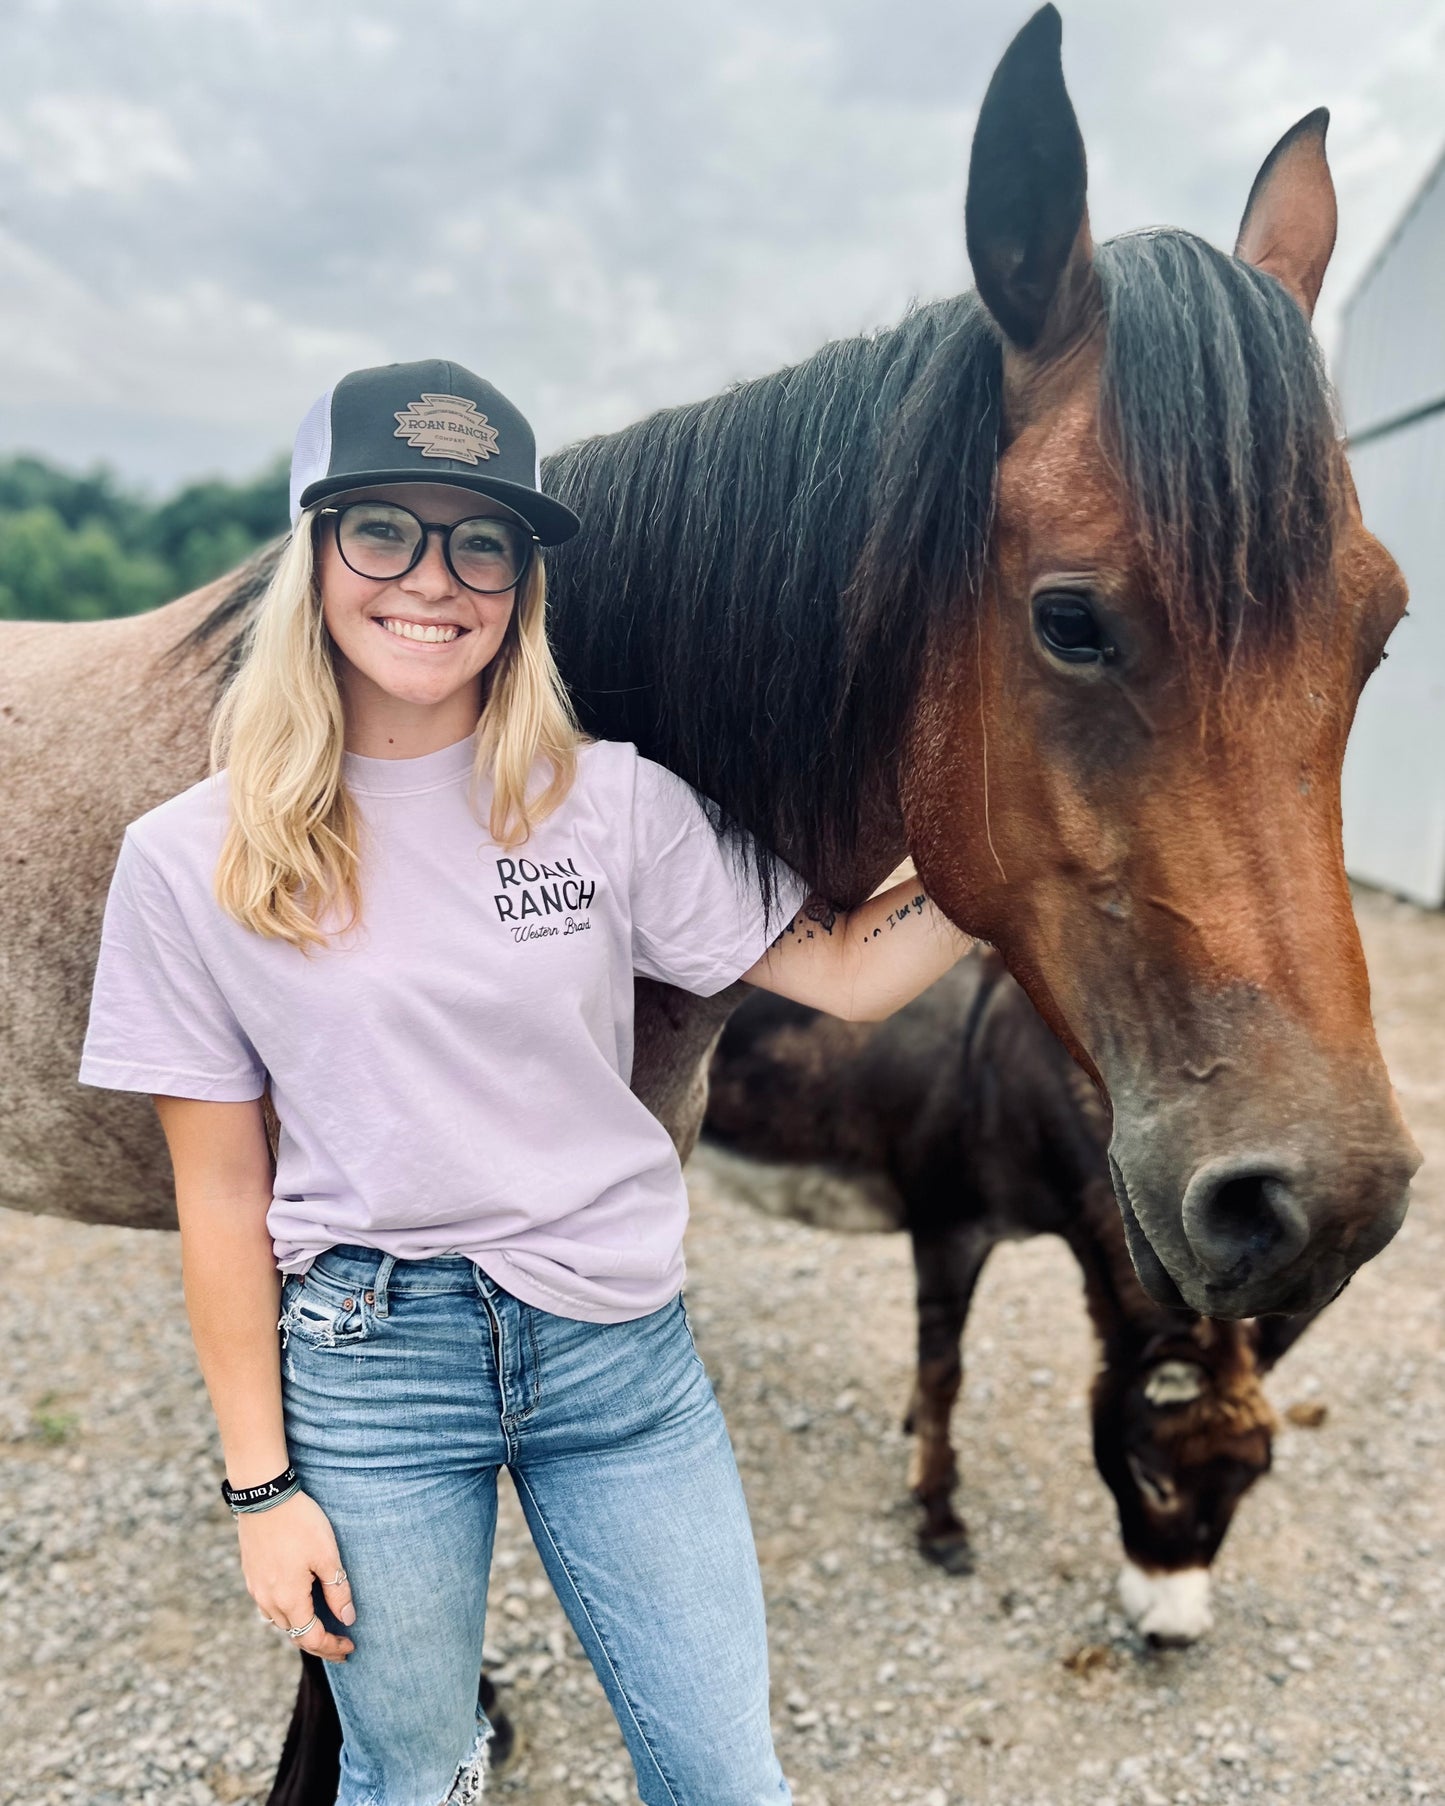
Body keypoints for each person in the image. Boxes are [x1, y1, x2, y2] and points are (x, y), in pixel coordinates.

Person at [78, 358, 972, 1806]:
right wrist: (259, 1487)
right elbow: (219, 1190)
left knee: (727, 1779)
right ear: (310, 552)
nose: (433, 578)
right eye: (383, 529)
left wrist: (1014, 843)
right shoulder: (193, 858)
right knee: (414, 1776)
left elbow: (851, 967)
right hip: (373, 1376)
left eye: (479, 540)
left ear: (519, 580)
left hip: (618, 1360)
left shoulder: (609, 799)